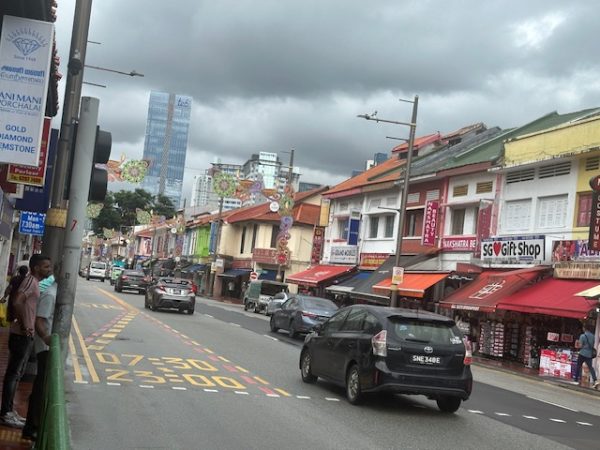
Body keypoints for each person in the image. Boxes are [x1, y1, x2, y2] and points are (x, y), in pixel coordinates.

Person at [0, 254, 52, 428]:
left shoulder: (33, 282)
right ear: (36, 268)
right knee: (14, 374)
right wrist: (24, 326)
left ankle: (8, 411)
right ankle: (6, 413)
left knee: (16, 374)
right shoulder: (31, 281)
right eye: (46, 266)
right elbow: (17, 301)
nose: (49, 270)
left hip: (22, 335)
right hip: (21, 335)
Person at [21, 267, 57, 441]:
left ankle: (34, 425)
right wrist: (46, 338)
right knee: (41, 387)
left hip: (48, 348)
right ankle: (32, 426)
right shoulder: (51, 294)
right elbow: (39, 320)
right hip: (45, 349)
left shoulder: (56, 293)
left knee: (42, 386)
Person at [572, 324, 599, 389]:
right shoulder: (593, 336)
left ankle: (576, 380)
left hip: (582, 353)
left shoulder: (582, 336)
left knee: (578, 366)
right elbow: (592, 345)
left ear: (585, 328)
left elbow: (580, 345)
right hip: (589, 354)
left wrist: (577, 345)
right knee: (591, 367)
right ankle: (595, 380)